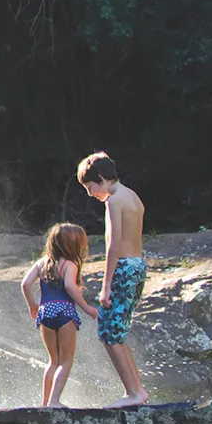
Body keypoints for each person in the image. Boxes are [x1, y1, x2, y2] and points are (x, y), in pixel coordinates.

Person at [78, 150, 150, 408]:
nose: (90, 193)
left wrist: (106, 285)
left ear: (101, 178)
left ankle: (133, 392)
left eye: (90, 187)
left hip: (124, 267)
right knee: (117, 333)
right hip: (139, 265)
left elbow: (114, 244)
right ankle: (137, 390)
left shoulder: (113, 201)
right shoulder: (133, 197)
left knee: (108, 332)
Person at [21, 222, 98, 406]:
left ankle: (45, 402)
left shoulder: (42, 263)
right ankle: (55, 400)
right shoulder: (69, 264)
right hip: (64, 312)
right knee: (66, 361)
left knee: (53, 361)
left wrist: (33, 305)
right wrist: (87, 308)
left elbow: (25, 284)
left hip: (45, 312)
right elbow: (70, 287)